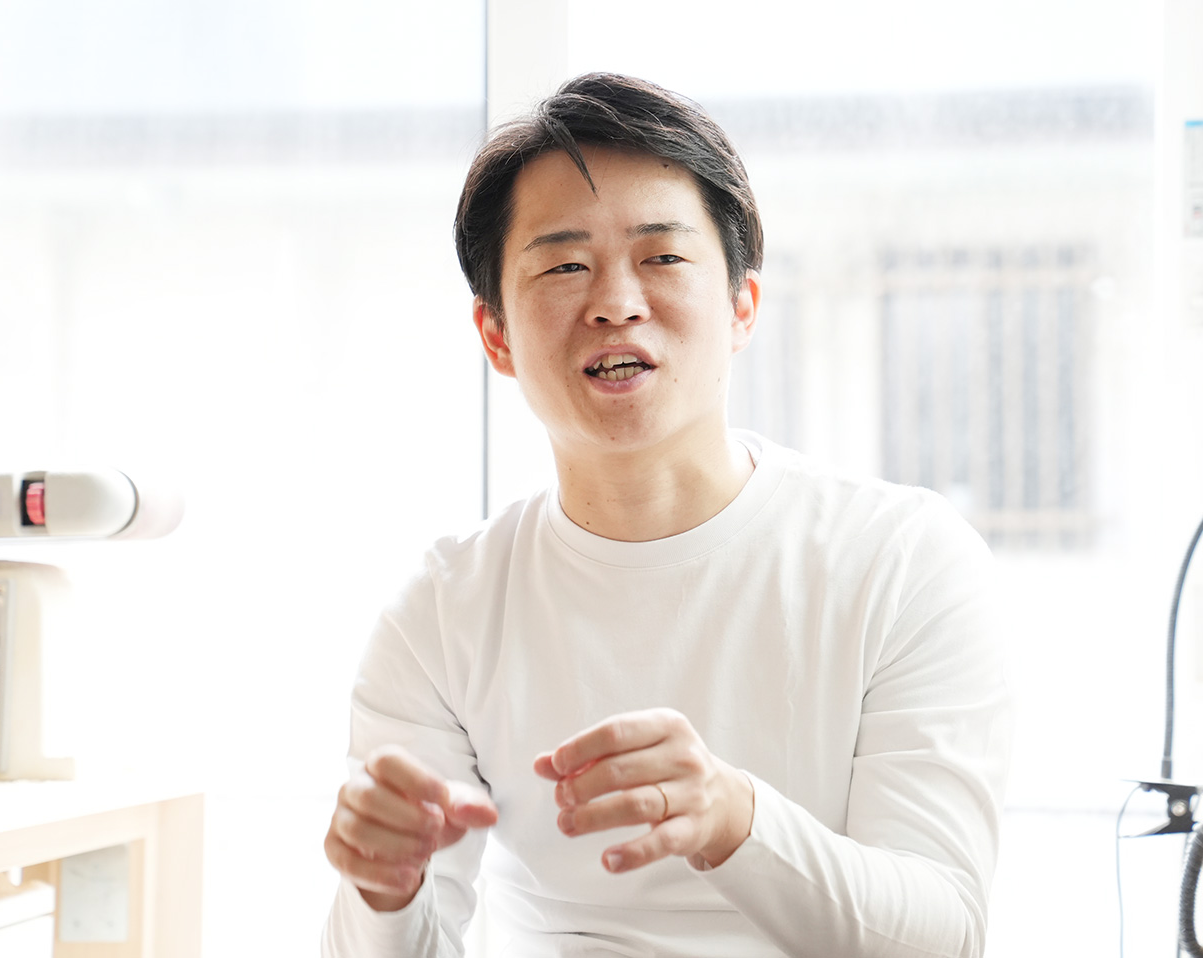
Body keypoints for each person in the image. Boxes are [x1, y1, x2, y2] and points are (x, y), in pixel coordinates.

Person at [322, 72, 1010, 958]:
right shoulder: (443, 612)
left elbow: (944, 933)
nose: (616, 302)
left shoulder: (904, 559)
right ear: (495, 335)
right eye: (565, 265)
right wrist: (385, 890)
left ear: (742, 307)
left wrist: (735, 819)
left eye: (663, 258)